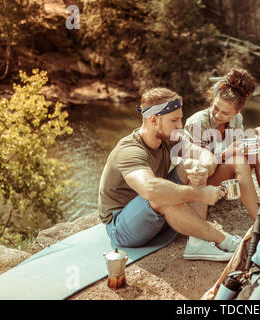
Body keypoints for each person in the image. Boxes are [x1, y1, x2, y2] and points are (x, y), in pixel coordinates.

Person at [98, 87, 242, 261]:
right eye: (174, 120)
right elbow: (150, 189)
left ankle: (197, 244)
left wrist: (203, 167)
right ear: (153, 120)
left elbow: (204, 154)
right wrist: (200, 194)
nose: (180, 126)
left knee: (194, 166)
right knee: (160, 194)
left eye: (180, 119)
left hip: (150, 212)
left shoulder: (170, 138)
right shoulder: (129, 150)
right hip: (121, 227)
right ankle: (224, 241)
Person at [184, 68, 260, 219]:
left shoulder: (237, 120)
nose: (217, 115)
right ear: (213, 99)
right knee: (238, 161)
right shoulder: (198, 123)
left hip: (221, 175)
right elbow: (198, 168)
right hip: (199, 183)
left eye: (225, 113)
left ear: (236, 112)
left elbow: (238, 149)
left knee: (258, 154)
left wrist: (255, 145)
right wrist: (226, 153)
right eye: (215, 108)